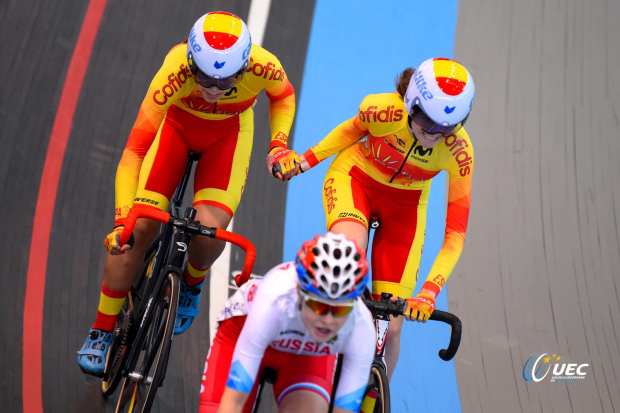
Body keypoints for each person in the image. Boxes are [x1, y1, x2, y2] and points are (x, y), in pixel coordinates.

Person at [77, 11, 300, 375]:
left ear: (244, 67)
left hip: (228, 137)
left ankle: (192, 284)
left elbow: (284, 96)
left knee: (209, 233)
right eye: (204, 78)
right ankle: (101, 330)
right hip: (176, 130)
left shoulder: (265, 65)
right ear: (191, 62)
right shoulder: (174, 70)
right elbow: (134, 152)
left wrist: (278, 144)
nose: (213, 89)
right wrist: (122, 221)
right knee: (137, 232)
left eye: (225, 80)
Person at [288, 57, 476, 379]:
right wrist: (304, 161)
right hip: (356, 180)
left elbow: (455, 236)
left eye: (447, 128)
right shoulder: (383, 110)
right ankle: (315, 357)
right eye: (426, 122)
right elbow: (347, 132)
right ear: (411, 104)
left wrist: (429, 292)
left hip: (405, 207)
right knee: (347, 255)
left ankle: (375, 395)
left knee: (391, 328)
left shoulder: (460, 152)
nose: (434, 135)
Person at [198, 232, 375, 413]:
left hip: (307, 356)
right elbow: (233, 402)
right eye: (318, 306)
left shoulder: (361, 327)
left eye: (340, 310)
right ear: (299, 293)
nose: (327, 320)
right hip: (241, 331)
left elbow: (344, 409)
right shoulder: (274, 299)